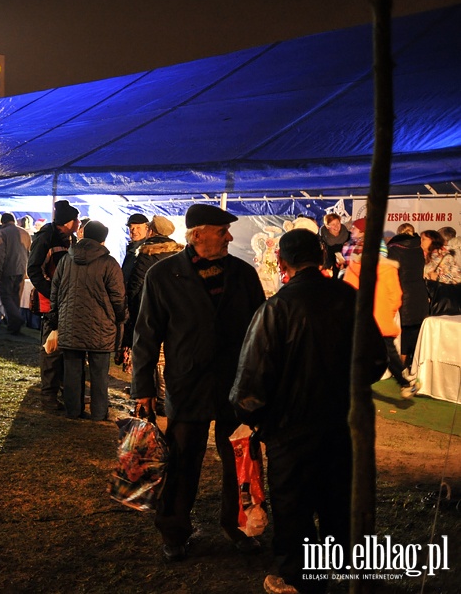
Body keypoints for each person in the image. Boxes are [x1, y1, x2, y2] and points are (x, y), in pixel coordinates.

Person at [230, 229, 385, 594]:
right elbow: (375, 361)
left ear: (282, 262)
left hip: (290, 429)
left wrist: (252, 416)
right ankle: (348, 575)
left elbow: (251, 380)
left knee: (294, 506)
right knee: (339, 502)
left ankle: (299, 580)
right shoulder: (350, 298)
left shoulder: (276, 308)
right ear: (321, 258)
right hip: (343, 425)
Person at [131, 203, 265, 561]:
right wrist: (142, 388)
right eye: (222, 231)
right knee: (181, 461)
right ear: (197, 234)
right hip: (187, 384)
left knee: (241, 460)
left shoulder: (243, 274)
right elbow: (145, 334)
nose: (229, 237)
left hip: (236, 386)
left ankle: (240, 526)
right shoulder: (162, 275)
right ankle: (174, 532)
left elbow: (259, 332)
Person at [48, 220, 126, 420]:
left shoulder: (67, 259)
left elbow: (55, 290)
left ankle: (73, 410)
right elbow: (118, 297)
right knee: (99, 373)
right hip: (100, 326)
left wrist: (56, 317)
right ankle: (99, 413)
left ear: (84, 234)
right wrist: (121, 316)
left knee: (72, 371)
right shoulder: (109, 263)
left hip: (70, 323)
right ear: (103, 239)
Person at [119, 215, 183, 413]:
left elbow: (135, 285)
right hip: (174, 311)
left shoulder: (147, 253)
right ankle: (165, 399)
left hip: (149, 310)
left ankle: (154, 399)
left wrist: (131, 308)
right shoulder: (180, 254)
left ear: (151, 231)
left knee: (148, 355)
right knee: (166, 355)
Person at [343, 239, 412, 397]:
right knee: (389, 353)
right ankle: (405, 383)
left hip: (358, 320)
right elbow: (396, 297)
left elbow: (346, 294)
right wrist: (388, 312)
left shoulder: (353, 267)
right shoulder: (388, 269)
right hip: (380, 320)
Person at [27, 200, 80, 407]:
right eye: (76, 219)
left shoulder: (70, 239)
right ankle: (48, 395)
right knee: (51, 346)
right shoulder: (46, 239)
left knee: (66, 345)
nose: (78, 223)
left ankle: (65, 391)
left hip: (68, 300)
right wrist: (52, 292)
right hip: (51, 302)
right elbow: (34, 270)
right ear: (69, 222)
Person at [386, 223, 429, 369]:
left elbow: (391, 273)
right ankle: (417, 364)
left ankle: (401, 365)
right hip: (419, 293)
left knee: (403, 332)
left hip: (403, 293)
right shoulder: (419, 249)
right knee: (417, 330)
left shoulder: (394, 249)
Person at [0, 212, 32, 334]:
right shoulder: (25, 233)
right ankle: (13, 326)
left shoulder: (2, 233)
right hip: (22, 269)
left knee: (6, 296)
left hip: (8, 269)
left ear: (3, 222)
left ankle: (16, 319)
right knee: (16, 298)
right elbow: (29, 252)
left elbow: (0, 255)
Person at [420, 229, 461, 316]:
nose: (420, 241)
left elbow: (458, 277)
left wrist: (438, 278)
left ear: (432, 240)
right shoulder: (423, 257)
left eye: (423, 239)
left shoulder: (445, 257)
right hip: (427, 301)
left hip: (441, 300)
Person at [121, 213, 150, 289]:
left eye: (138, 227)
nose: (134, 231)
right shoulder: (131, 249)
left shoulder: (148, 250)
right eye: (131, 228)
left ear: (147, 228)